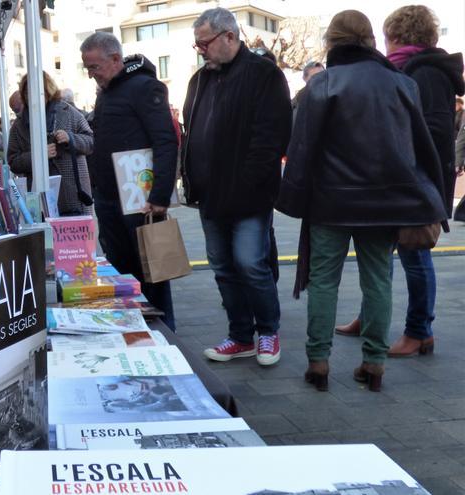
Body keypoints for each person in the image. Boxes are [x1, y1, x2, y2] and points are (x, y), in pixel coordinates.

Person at [277, 10, 447, 392]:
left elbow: (301, 150)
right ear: (370, 40)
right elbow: (419, 147)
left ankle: (318, 362)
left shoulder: (320, 86)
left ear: (333, 42)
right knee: (378, 281)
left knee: (323, 282)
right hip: (385, 204)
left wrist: (292, 198)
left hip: (330, 204)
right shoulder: (401, 84)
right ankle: (374, 363)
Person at [335, 6, 464, 357]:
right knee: (380, 252)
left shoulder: (426, 73)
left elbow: (435, 132)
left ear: (398, 36)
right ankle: (371, 316)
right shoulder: (406, 69)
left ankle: (420, 331)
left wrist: (416, 176)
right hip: (399, 178)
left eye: (388, 35)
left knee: (414, 253)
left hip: (415, 182)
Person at [182, 8, 291, 366]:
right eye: (197, 45)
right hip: (210, 195)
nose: (201, 51)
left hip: (248, 195)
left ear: (229, 37)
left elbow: (270, 138)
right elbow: (191, 132)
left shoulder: (264, 75)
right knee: (223, 267)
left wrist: (248, 184)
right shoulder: (200, 81)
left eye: (205, 43)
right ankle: (240, 335)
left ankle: (268, 332)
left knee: (250, 263)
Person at [79, 32, 177, 330]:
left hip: (141, 198)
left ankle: (165, 332)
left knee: (152, 270)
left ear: (115, 59)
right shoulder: (106, 92)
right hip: (109, 196)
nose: (91, 74)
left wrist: (160, 196)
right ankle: (133, 328)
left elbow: (165, 141)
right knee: (121, 270)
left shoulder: (145, 87)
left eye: (95, 66)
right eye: (87, 68)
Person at [7, 71, 94, 215]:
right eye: (28, 93)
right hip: (40, 199)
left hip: (73, 195)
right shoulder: (19, 124)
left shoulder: (69, 112)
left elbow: (91, 142)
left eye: (39, 91)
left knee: (74, 236)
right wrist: (38, 156)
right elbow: (13, 161)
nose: (33, 97)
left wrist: (70, 138)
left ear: (48, 91)